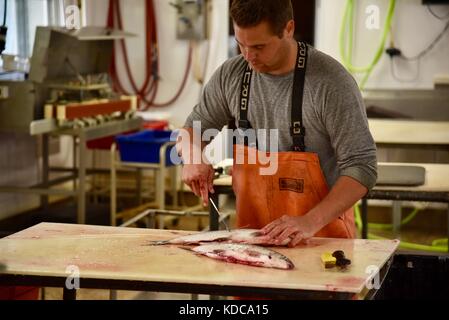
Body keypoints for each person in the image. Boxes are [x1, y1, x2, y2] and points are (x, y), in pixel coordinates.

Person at [177, 0, 377, 247]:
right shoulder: (231, 75)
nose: (249, 56)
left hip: (320, 241)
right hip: (252, 242)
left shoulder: (331, 83)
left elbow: (362, 167)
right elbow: (191, 130)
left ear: (288, 29)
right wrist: (191, 155)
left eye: (259, 46)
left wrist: (309, 221)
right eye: (241, 44)